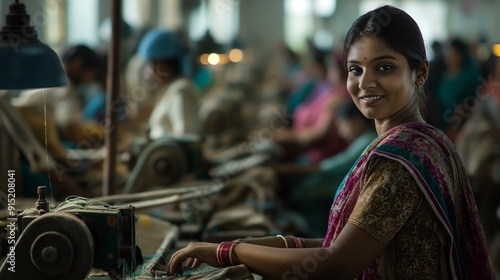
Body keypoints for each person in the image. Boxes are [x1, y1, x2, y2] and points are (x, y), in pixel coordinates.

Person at [168, 6, 495, 279]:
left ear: (420, 72)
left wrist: (228, 252)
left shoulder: (400, 161)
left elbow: (337, 264)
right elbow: (338, 242)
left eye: (384, 67)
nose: (366, 83)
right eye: (355, 69)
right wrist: (239, 246)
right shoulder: (428, 141)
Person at [286, 100, 377, 238]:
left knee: (304, 193)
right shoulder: (364, 139)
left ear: (357, 121)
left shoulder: (367, 140)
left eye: (342, 125)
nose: (341, 132)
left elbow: (331, 167)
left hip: (345, 194)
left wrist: (283, 169)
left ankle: (314, 237)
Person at [135, 29, 200, 140]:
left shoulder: (181, 91)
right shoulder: (171, 89)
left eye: (149, 65)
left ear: (163, 64)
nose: (147, 72)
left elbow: (186, 138)